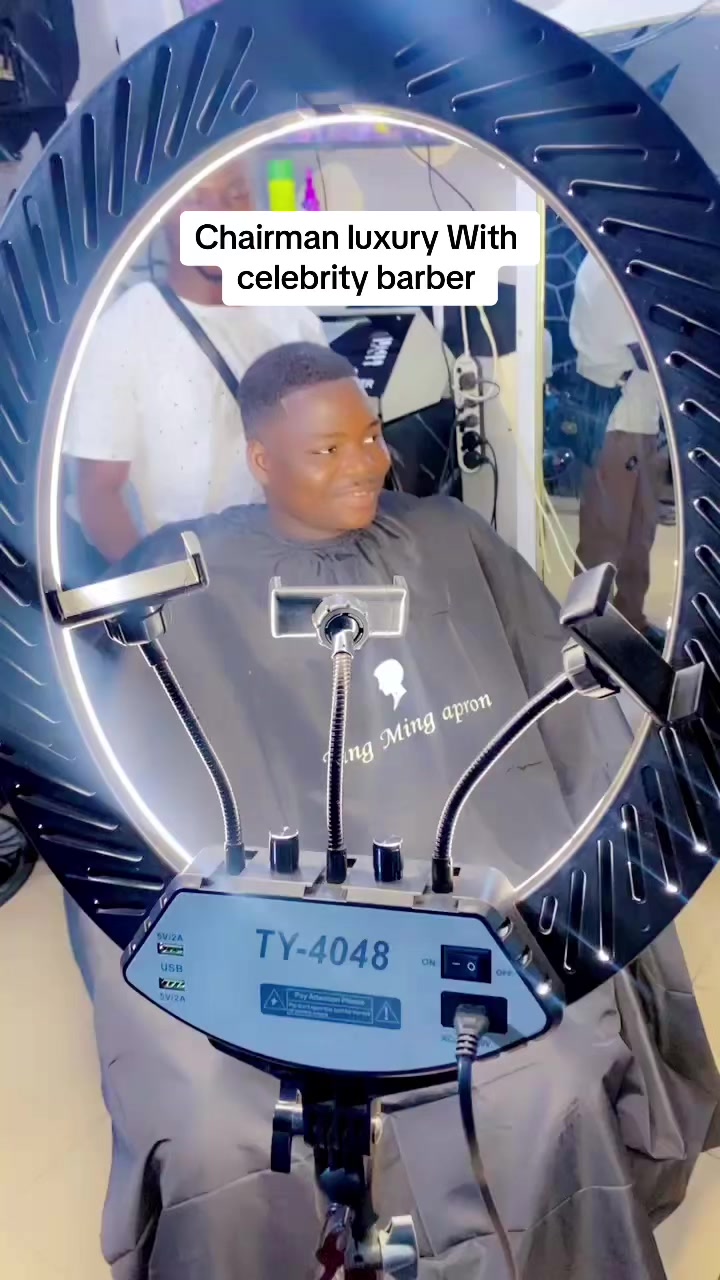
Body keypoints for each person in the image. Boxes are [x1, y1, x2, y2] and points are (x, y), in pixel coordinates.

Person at [66, 343, 720, 1280]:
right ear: (261, 461)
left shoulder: (448, 535)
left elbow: (566, 717)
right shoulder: (184, 578)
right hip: (279, 933)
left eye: (371, 435)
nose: (369, 463)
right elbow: (130, 806)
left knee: (549, 1076)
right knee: (225, 1133)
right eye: (328, 450)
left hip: (469, 898)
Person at [61, 159, 326, 573]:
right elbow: (98, 493)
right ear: (162, 212)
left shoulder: (294, 318)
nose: (218, 217)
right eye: (196, 199)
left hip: (292, 569)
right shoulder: (124, 330)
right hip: (193, 580)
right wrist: (164, 592)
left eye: (235, 194)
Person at [570, 252, 666, 648]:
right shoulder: (602, 267)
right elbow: (649, 346)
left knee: (641, 530)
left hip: (644, 415)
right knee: (604, 534)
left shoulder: (633, 262)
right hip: (614, 415)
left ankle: (632, 621)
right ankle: (589, 631)